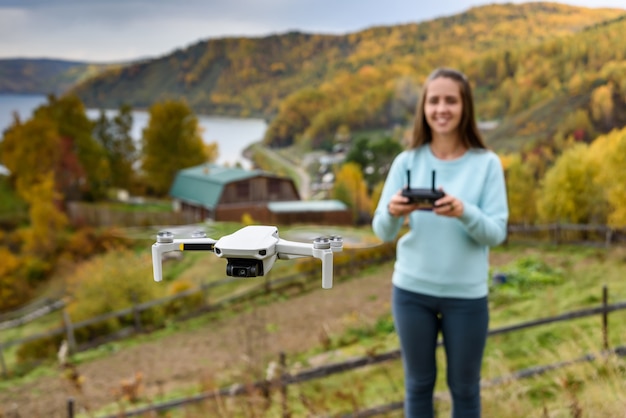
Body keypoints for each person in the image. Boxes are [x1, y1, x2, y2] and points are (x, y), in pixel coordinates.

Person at [371, 67, 509, 418]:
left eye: (451, 100)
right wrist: (393, 211)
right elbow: (382, 232)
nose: (441, 109)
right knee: (418, 386)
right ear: (424, 108)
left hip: (467, 296)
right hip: (411, 291)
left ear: (465, 107)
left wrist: (464, 212)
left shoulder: (487, 164)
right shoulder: (407, 162)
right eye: (434, 100)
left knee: (464, 389)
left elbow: (496, 233)